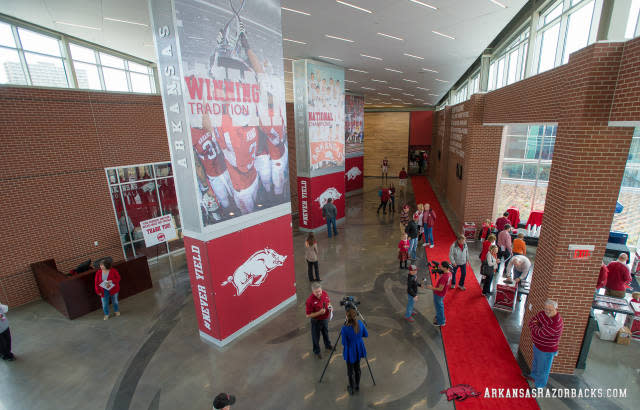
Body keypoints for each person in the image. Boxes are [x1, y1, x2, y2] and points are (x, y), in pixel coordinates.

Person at [526, 299, 564, 388]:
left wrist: (537, 326)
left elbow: (542, 334)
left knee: (543, 369)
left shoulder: (556, 323)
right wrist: (538, 326)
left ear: (556, 309)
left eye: (550, 310)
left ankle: (539, 386)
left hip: (547, 350)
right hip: (537, 345)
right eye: (546, 309)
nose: (547, 312)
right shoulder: (542, 313)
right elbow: (531, 321)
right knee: (535, 363)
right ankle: (533, 376)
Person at [341, 308, 368, 395]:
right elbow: (366, 334)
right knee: (357, 368)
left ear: (347, 317)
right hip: (359, 348)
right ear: (355, 316)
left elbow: (344, 343)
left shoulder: (345, 328)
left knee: (350, 370)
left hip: (350, 351)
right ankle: (357, 385)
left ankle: (351, 388)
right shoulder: (360, 323)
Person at [305, 282, 333, 359]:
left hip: (325, 319)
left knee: (326, 333)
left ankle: (328, 345)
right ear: (312, 292)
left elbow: (328, 302)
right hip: (316, 322)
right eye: (316, 292)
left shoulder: (325, 294)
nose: (319, 293)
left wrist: (330, 306)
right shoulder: (309, 301)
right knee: (316, 337)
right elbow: (308, 315)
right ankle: (316, 351)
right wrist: (319, 313)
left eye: (319, 291)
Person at [425, 261, 453, 327]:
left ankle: (441, 322)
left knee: (439, 308)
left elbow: (440, 289)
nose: (440, 267)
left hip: (438, 294)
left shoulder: (444, 277)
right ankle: (441, 318)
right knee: (440, 307)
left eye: (441, 266)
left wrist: (431, 287)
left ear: (445, 268)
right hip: (443, 294)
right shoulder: (449, 273)